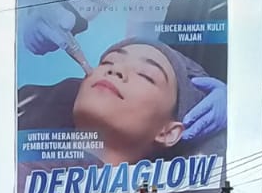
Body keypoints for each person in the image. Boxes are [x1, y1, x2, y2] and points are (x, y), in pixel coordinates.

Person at [18, 39, 218, 166]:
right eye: (107, 63)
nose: (115, 71)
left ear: (168, 132)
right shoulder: (16, 175)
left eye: (146, 75)